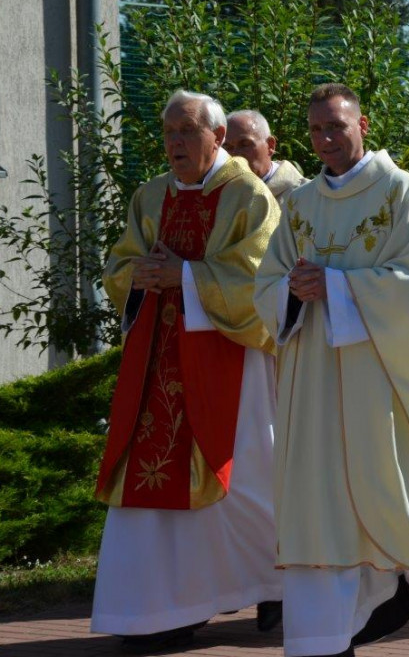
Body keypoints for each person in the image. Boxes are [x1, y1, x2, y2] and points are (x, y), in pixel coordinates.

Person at [254, 83, 409, 657]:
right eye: (316, 130)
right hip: (314, 378)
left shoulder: (399, 192)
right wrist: (291, 291)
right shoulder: (300, 204)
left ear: (362, 123)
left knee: (397, 493)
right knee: (323, 506)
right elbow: (267, 282)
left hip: (382, 375)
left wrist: (337, 287)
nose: (326, 140)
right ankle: (328, 636)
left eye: (337, 127)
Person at [91, 90, 282, 650]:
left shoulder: (248, 195)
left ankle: (276, 583)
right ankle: (158, 608)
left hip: (227, 362)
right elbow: (119, 264)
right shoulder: (151, 195)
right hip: (156, 362)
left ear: (217, 137)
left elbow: (259, 277)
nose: (173, 144)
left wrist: (188, 278)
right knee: (147, 480)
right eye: (168, 133)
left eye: (185, 133)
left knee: (243, 483)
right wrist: (138, 279)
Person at [225, 109, 308, 203]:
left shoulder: (304, 196)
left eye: (245, 144)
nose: (235, 155)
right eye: (228, 147)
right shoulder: (221, 194)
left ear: (270, 145)